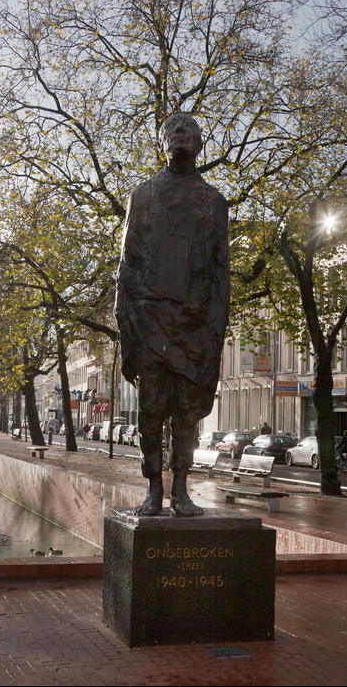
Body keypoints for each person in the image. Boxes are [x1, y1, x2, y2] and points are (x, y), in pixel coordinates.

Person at [115, 113, 230, 517]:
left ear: (200, 144)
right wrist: (125, 322)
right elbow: (126, 265)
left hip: (194, 327)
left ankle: (181, 489)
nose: (180, 138)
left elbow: (220, 272)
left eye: (188, 132)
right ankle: (153, 489)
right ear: (162, 143)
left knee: (185, 415)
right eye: (172, 132)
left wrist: (216, 327)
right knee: (150, 411)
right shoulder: (143, 195)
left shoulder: (213, 201)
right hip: (151, 324)